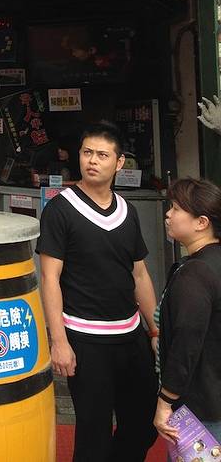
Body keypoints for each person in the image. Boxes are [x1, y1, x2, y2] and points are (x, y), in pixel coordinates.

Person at [36, 119, 158, 461]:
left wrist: (155, 330)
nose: (92, 160)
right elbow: (49, 278)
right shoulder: (60, 209)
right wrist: (59, 342)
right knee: (94, 435)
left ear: (119, 163)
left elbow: (140, 275)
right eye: (87, 152)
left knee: (144, 424)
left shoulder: (127, 211)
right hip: (85, 339)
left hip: (131, 335)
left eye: (102, 155)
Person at [153, 178, 221, 447]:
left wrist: (165, 400)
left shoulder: (195, 273)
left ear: (201, 222)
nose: (168, 214)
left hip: (202, 408)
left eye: (177, 208)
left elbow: (186, 342)